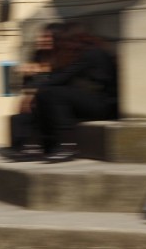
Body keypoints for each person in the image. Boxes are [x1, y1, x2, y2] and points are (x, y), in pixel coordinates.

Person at [33, 22, 118, 162]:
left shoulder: (91, 54)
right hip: (92, 100)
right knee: (44, 97)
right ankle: (41, 146)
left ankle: (68, 145)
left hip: (104, 105)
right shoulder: (78, 55)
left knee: (51, 94)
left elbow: (60, 79)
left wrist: (40, 75)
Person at [7, 23, 63, 160]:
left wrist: (39, 69)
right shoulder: (38, 54)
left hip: (53, 98)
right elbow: (30, 81)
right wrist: (28, 92)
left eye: (46, 37)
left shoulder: (61, 55)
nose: (41, 40)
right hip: (36, 97)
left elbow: (56, 75)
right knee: (18, 118)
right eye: (41, 37)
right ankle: (19, 148)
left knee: (36, 112)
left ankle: (38, 148)